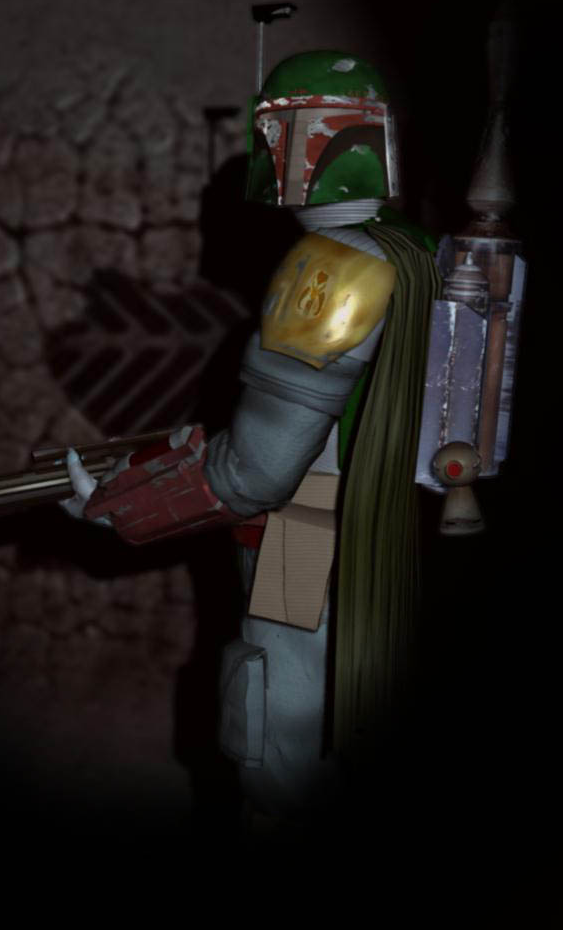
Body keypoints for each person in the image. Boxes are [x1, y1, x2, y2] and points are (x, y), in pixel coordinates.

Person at [63, 50, 440, 824]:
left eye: (275, 133)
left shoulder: (332, 263)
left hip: (308, 535)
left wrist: (120, 502)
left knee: (279, 743)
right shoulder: (414, 246)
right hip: (392, 533)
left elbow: (258, 472)